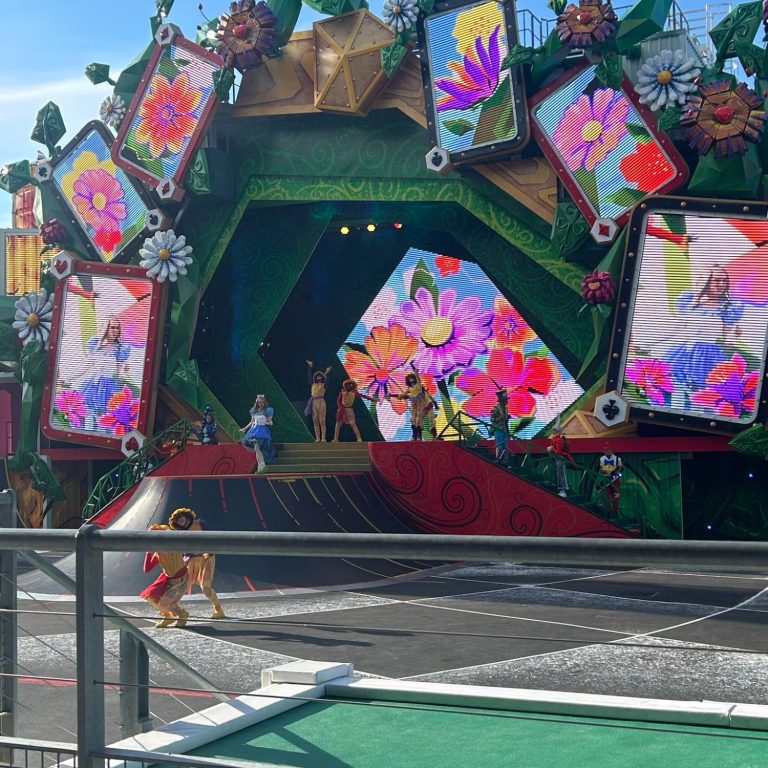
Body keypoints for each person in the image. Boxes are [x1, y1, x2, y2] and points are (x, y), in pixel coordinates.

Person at [664, 265, 744, 409]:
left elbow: (727, 343)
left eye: (724, 281)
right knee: (678, 388)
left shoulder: (728, 308)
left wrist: (735, 335)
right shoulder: (689, 303)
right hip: (685, 352)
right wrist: (643, 343)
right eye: (717, 280)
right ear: (705, 281)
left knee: (704, 393)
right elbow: (676, 328)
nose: (721, 284)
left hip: (710, 356)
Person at [76, 315, 132, 430]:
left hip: (108, 387)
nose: (115, 330)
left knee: (104, 418)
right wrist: (67, 378)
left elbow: (120, 375)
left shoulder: (121, 349)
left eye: (117, 328)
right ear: (105, 328)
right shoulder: (95, 346)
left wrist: (124, 371)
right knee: (89, 415)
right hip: (92, 385)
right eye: (112, 327)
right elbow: (86, 366)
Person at [168, 507, 225, 619]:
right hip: (190, 560)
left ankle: (218, 609)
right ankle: (173, 608)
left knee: (205, 587)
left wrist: (210, 551)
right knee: (182, 586)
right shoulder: (179, 532)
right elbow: (181, 549)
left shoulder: (199, 523)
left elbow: (213, 536)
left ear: (186, 516)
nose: (180, 520)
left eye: (181, 517)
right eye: (177, 519)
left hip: (205, 558)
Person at [139, 523, 189, 628]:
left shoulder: (171, 547)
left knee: (164, 603)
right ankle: (168, 616)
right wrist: (149, 552)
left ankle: (182, 614)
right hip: (168, 579)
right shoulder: (158, 553)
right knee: (151, 597)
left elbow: (171, 538)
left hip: (181, 580)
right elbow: (147, 569)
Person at [389, 363, 439, 441]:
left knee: (431, 420)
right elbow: (402, 395)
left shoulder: (420, 386)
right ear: (408, 380)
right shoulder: (409, 389)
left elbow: (430, 396)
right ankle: (418, 437)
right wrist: (391, 395)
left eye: (412, 378)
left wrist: (435, 404)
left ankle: (434, 436)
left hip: (428, 405)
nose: (411, 380)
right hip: (420, 406)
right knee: (418, 422)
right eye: (410, 379)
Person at [241, 394, 275, 470]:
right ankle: (260, 467)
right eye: (259, 402)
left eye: (262, 402)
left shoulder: (267, 411)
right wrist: (244, 428)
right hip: (253, 431)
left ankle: (263, 464)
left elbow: (271, 423)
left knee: (256, 448)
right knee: (256, 449)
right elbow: (252, 422)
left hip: (262, 431)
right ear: (257, 403)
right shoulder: (254, 411)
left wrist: (265, 422)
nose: (261, 404)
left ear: (264, 402)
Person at [305, 360, 332, 442]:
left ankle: (323, 438)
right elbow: (309, 377)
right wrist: (310, 367)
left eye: (320, 376)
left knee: (322, 420)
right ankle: (317, 438)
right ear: (315, 378)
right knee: (315, 420)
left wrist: (327, 372)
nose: (319, 377)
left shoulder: (324, 385)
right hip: (314, 402)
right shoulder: (313, 384)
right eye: (317, 376)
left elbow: (327, 380)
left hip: (321, 402)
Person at [547, 425, 574, 497]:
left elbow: (558, 451)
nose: (553, 431)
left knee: (561, 474)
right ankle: (561, 489)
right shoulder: (555, 439)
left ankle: (563, 490)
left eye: (554, 430)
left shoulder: (559, 439)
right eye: (553, 430)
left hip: (560, 458)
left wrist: (551, 449)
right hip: (557, 458)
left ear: (558, 431)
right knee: (559, 473)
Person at [599, 446, 623, 517]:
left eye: (608, 451)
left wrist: (619, 469)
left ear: (611, 450)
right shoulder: (602, 459)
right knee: (607, 497)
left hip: (616, 480)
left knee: (616, 496)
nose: (607, 453)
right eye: (605, 451)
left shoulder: (617, 459)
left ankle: (615, 512)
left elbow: (621, 468)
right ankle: (609, 513)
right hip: (607, 479)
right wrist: (606, 471)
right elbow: (601, 469)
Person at [489, 390, 511, 464]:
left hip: (504, 429)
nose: (506, 401)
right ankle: (499, 460)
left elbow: (505, 420)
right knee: (499, 446)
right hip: (498, 429)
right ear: (501, 401)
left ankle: (505, 461)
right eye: (505, 400)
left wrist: (507, 418)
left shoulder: (506, 409)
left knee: (506, 446)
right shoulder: (495, 408)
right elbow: (492, 419)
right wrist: (501, 418)